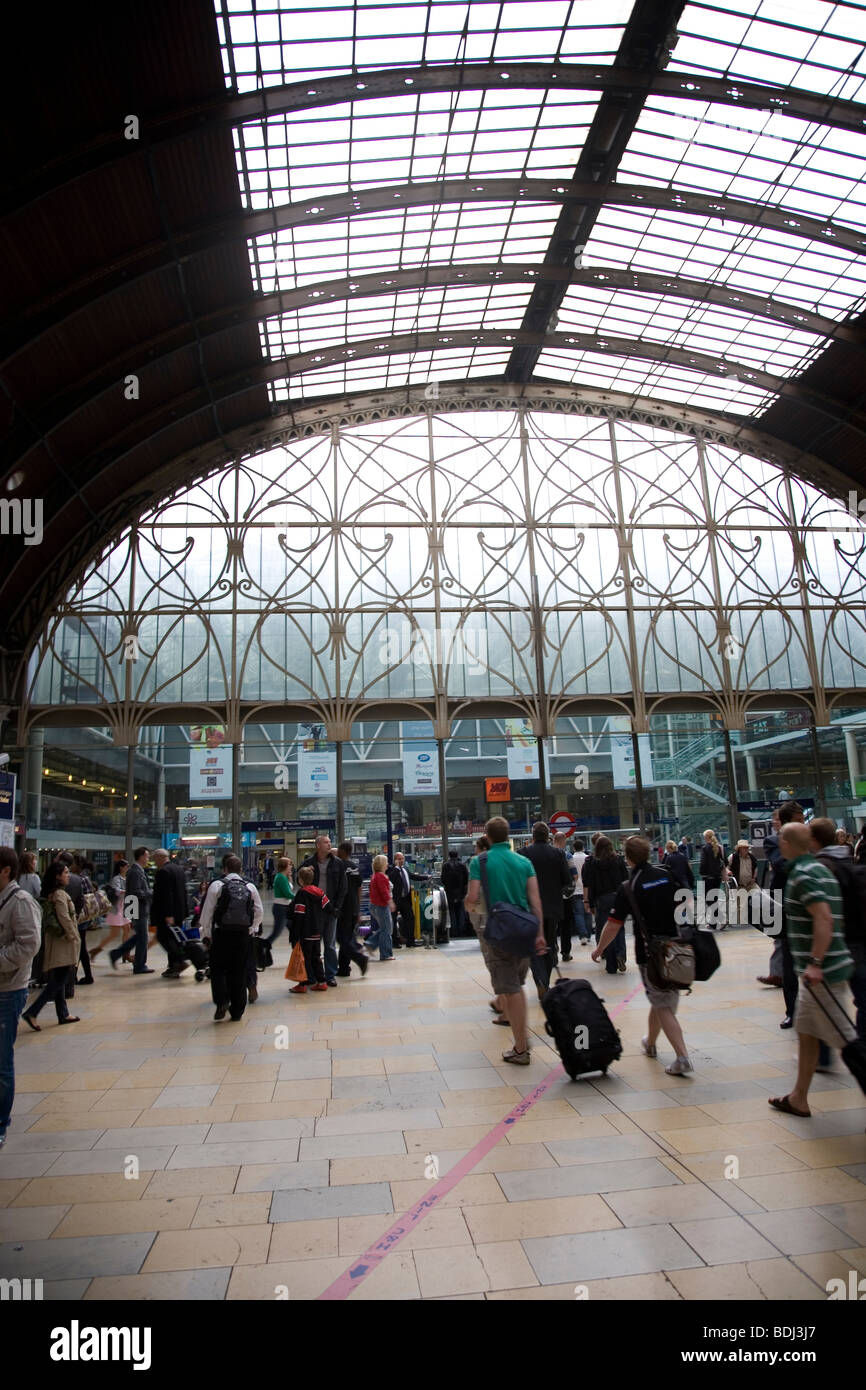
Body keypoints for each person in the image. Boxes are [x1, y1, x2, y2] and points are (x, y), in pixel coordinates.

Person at [768, 823, 855, 1117]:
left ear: (789, 843)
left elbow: (823, 918)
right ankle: (798, 1098)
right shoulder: (815, 869)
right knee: (806, 1032)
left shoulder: (805, 874)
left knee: (848, 1042)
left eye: (781, 837)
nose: (778, 841)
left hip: (823, 973)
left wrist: (816, 963)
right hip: (814, 973)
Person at [593, 836, 692, 1076]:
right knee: (663, 1000)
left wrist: (600, 949)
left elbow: (614, 924)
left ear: (627, 858)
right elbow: (686, 902)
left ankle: (682, 1057)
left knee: (662, 1004)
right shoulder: (666, 875)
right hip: (677, 948)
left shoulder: (630, 887)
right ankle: (650, 1042)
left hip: (651, 953)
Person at [465, 816, 546, 1065]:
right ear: (508, 836)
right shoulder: (524, 861)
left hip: (499, 930)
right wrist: (540, 934)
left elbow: (473, 896)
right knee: (516, 986)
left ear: (488, 837)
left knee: (512, 990)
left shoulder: (480, 861)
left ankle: (521, 1047)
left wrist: (469, 906)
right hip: (524, 931)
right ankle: (521, 1041)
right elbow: (535, 901)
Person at [809, 817, 866, 1039]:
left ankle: (840, 1051)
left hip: (840, 939)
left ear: (814, 840)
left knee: (825, 999)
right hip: (859, 934)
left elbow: (823, 915)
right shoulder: (849, 858)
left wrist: (816, 958)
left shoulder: (820, 866)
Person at [0, 848, 42, 1148]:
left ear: (5, 871)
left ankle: (1, 1121)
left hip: (8, 989)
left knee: (2, 1060)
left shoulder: (20, 902)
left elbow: (29, 945)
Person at [200, 854, 263, 1021]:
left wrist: (206, 934)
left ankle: (222, 1001)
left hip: (221, 934)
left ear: (225, 869)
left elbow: (207, 912)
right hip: (242, 934)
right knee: (239, 970)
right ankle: (238, 1009)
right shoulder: (250, 886)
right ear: (241, 869)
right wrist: (252, 928)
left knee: (219, 969)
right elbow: (259, 911)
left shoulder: (217, 885)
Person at [22, 860, 81, 1030]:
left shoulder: (50, 894)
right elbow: (65, 917)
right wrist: (74, 936)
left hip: (55, 941)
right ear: (57, 876)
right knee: (58, 981)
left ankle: (63, 1014)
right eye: (65, 873)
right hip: (63, 943)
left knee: (59, 979)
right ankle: (32, 1012)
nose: (68, 875)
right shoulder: (60, 895)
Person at [520, 822, 572, 995]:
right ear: (548, 836)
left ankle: (540, 979)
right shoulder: (558, 854)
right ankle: (546, 980)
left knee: (533, 944)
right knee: (549, 944)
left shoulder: (523, 854)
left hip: (529, 908)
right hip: (552, 907)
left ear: (532, 836)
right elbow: (567, 881)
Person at [301, 836, 347, 986]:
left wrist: (337, 907)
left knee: (330, 943)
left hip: (331, 909)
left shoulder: (338, 864)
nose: (329, 845)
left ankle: (330, 974)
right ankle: (313, 974)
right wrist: (307, 873)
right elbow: (299, 879)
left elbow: (343, 887)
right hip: (313, 910)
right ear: (318, 845)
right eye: (326, 842)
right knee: (313, 944)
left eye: (329, 842)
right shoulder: (309, 863)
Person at [582, 834, 628, 973]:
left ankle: (611, 965)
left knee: (605, 930)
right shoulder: (618, 860)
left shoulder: (592, 863)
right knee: (618, 927)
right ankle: (621, 955)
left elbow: (590, 883)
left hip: (601, 899)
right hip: (617, 897)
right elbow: (626, 879)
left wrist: (590, 902)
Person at [109, 846, 153, 974]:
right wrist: (150, 893)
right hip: (137, 908)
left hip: (137, 907)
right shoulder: (135, 872)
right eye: (147, 856)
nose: (148, 858)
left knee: (140, 936)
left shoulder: (138, 871)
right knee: (143, 937)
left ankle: (117, 954)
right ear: (141, 856)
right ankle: (139, 965)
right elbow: (136, 892)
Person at [288, 866, 330, 993]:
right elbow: (328, 907)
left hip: (305, 931)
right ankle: (322, 981)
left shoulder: (302, 893)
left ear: (300, 880)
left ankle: (303, 984)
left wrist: (295, 933)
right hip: (317, 930)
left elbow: (299, 913)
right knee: (316, 957)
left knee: (304, 958)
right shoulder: (319, 892)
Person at [151, 848, 190, 978]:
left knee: (164, 937)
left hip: (167, 913)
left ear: (160, 857)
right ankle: (173, 966)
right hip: (179, 911)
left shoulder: (163, 872)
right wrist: (185, 910)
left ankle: (179, 961)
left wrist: (168, 914)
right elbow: (183, 891)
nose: (154, 861)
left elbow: (166, 895)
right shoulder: (179, 869)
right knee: (174, 938)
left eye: (155, 858)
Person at [335, 842, 368, 977]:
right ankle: (344, 968)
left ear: (342, 851)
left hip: (343, 908)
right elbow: (359, 888)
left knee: (341, 938)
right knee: (347, 937)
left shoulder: (339, 866)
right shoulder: (355, 867)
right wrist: (358, 909)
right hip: (354, 907)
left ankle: (359, 957)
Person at [91, 859, 131, 962]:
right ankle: (96, 950)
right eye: (126, 866)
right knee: (114, 933)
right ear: (121, 867)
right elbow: (117, 891)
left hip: (125, 906)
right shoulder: (116, 879)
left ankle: (125, 953)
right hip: (117, 907)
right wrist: (127, 891)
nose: (128, 868)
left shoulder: (126, 878)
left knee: (127, 929)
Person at [365, 854, 396, 961]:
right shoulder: (381, 876)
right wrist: (390, 902)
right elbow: (384, 891)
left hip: (376, 905)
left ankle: (370, 944)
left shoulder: (376, 876)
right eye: (386, 862)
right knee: (387, 930)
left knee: (385, 928)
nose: (387, 864)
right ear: (382, 864)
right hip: (381, 906)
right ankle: (385, 954)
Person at [553, 831, 577, 960]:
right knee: (566, 924)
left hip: (552, 896)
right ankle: (565, 952)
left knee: (552, 923)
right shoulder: (567, 855)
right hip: (566, 896)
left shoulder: (549, 855)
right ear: (564, 841)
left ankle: (554, 946)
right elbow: (574, 875)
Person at [699, 830, 729, 923]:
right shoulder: (720, 848)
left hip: (708, 877)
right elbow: (726, 862)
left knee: (709, 900)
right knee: (714, 899)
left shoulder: (705, 848)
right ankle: (713, 924)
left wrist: (701, 872)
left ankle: (722, 918)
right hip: (718, 877)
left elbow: (703, 863)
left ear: (706, 837)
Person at [264, 856, 295, 947]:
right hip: (281, 908)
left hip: (286, 907)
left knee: (294, 929)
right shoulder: (280, 877)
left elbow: (289, 890)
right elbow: (287, 894)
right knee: (277, 932)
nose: (291, 866)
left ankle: (297, 947)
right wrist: (300, 898)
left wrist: (290, 877)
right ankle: (264, 946)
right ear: (284, 865)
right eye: (289, 864)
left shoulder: (284, 877)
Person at [440, 849, 469, 938]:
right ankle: (461, 931)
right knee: (460, 911)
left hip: (449, 892)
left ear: (449, 856)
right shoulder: (462, 865)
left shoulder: (445, 866)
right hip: (460, 892)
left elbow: (443, 879)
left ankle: (453, 931)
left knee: (451, 911)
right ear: (457, 856)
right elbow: (466, 879)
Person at [570, 837, 592, 948]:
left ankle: (582, 936)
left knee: (578, 914)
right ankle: (588, 935)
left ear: (574, 848)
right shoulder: (588, 858)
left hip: (576, 890)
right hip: (587, 889)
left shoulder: (571, 858)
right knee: (588, 913)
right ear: (583, 847)